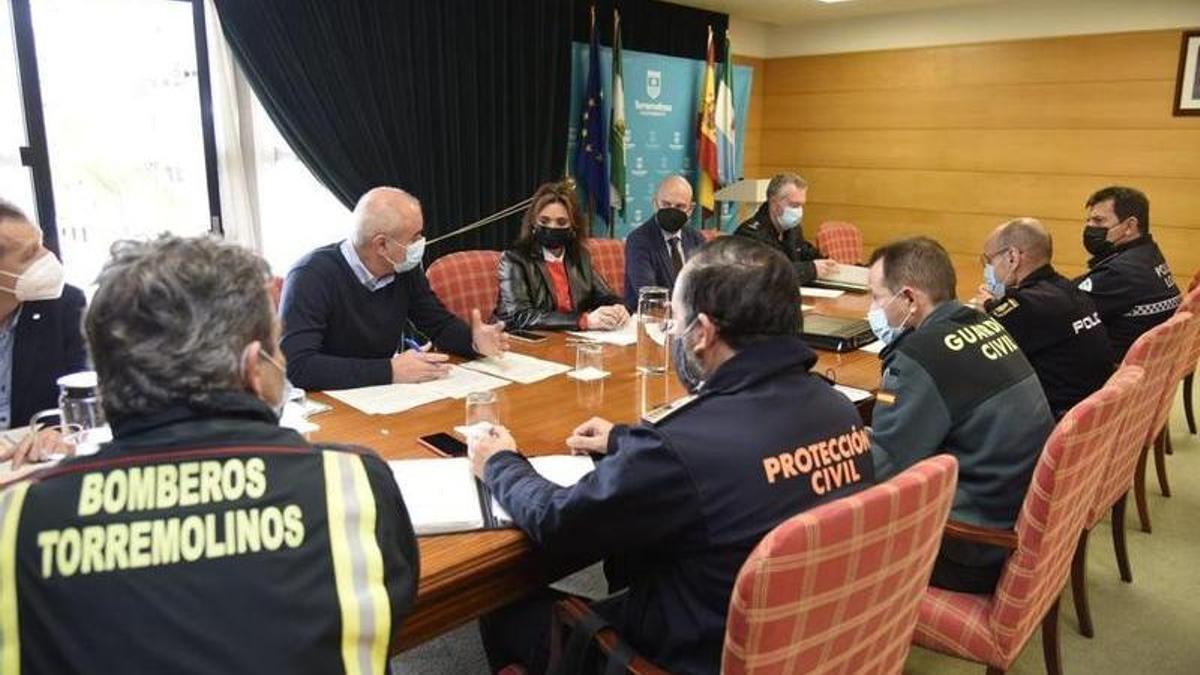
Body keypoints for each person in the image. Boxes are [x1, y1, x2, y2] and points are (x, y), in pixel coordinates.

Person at [0, 235, 419, 674]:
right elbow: (391, 611)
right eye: (279, 345)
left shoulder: (18, 521)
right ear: (255, 365)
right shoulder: (353, 484)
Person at [472, 236, 874, 674]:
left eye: (676, 322)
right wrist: (625, 440)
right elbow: (726, 458)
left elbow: (557, 520)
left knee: (502, 607)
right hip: (800, 636)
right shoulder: (838, 409)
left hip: (696, 654)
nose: (673, 335)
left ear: (701, 333)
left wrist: (499, 462)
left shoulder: (680, 446)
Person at [867, 237, 1054, 594]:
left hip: (970, 546)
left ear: (909, 298)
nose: (872, 308)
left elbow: (885, 468)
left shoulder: (921, 357)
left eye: (877, 297)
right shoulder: (986, 324)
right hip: (1015, 513)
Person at [280, 186, 508, 391]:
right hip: (330, 408)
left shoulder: (403, 269)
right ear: (381, 244)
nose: (422, 243)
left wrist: (474, 341)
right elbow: (298, 366)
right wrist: (389, 370)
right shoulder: (310, 276)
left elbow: (439, 324)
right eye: (415, 237)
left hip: (384, 396)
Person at [973, 218, 1115, 418]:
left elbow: (974, 356)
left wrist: (986, 307)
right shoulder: (1066, 288)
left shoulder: (1027, 305)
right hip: (1090, 413)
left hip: (1055, 422)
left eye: (989, 261)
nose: (987, 269)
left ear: (1012, 257)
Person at [0, 200, 87, 466]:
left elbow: (84, 392)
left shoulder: (64, 304)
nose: (47, 258)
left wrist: (61, 431)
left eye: (41, 244)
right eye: (30, 254)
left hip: (30, 464)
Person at [494, 182, 628, 331]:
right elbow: (522, 316)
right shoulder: (514, 260)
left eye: (561, 222)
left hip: (567, 339)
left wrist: (618, 307)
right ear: (533, 224)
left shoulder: (580, 257)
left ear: (573, 227)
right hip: (519, 341)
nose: (552, 227)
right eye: (544, 221)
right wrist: (584, 321)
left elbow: (604, 296)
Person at [1074, 186, 1182, 359]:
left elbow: (1065, 310)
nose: (1089, 228)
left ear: (1130, 226)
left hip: (1110, 371)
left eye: (1099, 221)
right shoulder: (1149, 254)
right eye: (1088, 221)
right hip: (1147, 367)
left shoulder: (1120, 272)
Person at [733, 172, 838, 286]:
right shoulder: (749, 234)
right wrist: (811, 269)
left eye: (802, 205)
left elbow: (805, 253)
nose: (799, 211)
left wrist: (826, 262)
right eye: (794, 205)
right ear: (774, 203)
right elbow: (767, 274)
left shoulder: (792, 229)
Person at [621, 175, 705, 310]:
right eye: (666, 204)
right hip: (650, 321)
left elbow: (705, 286)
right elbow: (649, 295)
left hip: (691, 320)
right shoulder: (639, 240)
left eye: (680, 206)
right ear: (655, 204)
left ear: (690, 209)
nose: (672, 211)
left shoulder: (696, 239)